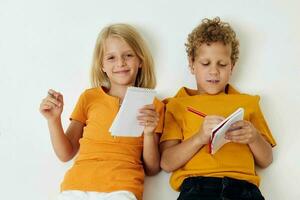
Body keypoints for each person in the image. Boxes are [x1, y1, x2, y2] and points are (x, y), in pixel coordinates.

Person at [39, 23, 164, 200]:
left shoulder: (153, 105)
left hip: (122, 188)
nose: (120, 63)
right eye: (111, 58)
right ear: (102, 65)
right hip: (76, 185)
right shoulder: (89, 98)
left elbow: (152, 169)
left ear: (140, 60)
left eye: (128, 55)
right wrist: (53, 120)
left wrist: (149, 133)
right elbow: (65, 153)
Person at [160, 17, 276, 200]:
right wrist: (199, 138)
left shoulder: (248, 103)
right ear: (191, 64)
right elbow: (166, 163)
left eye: (222, 64)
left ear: (232, 67)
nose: (214, 71)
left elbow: (267, 159)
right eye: (205, 64)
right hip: (197, 188)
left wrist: (253, 137)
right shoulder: (177, 105)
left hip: (244, 189)